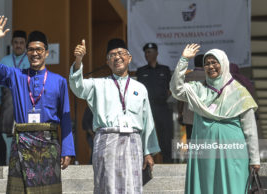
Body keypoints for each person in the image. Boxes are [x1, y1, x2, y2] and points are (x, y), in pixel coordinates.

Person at [0, 16, 75, 194]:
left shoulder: (59, 81)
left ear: (46, 52)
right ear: (26, 53)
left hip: (49, 143)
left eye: (39, 49)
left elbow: (65, 118)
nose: (35, 53)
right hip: (21, 142)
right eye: (31, 49)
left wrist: (68, 150)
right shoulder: (16, 76)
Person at [69, 38, 160, 193]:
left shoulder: (140, 88)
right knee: (107, 187)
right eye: (112, 55)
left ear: (129, 58)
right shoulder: (97, 84)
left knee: (131, 188)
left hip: (133, 143)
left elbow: (147, 121)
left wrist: (148, 152)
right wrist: (78, 60)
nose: (117, 57)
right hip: (106, 142)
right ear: (107, 62)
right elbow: (77, 87)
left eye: (121, 53)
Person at [170, 44, 260, 194]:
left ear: (223, 64)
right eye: (207, 63)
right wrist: (184, 60)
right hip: (205, 153)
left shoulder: (239, 92)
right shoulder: (198, 89)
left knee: (233, 188)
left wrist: (254, 159)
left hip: (233, 152)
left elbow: (250, 130)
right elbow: (176, 89)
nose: (210, 66)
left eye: (214, 62)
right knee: (207, 188)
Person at [0, 29, 30, 165]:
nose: (18, 45)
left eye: (21, 43)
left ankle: (24, 166)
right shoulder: (5, 60)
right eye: (16, 42)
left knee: (25, 136)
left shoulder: (30, 60)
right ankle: (10, 163)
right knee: (7, 136)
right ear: (12, 44)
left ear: (25, 45)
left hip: (25, 103)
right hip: (7, 103)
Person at [136, 43, 173, 163]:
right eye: (146, 52)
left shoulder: (165, 70)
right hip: (147, 107)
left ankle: (168, 162)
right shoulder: (141, 71)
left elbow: (170, 88)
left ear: (156, 53)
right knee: (145, 134)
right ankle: (146, 160)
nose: (147, 54)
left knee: (166, 136)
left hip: (162, 106)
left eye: (150, 52)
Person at [178, 54, 205, 141]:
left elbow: (181, 98)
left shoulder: (187, 77)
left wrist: (180, 113)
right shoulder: (209, 77)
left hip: (189, 116)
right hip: (205, 117)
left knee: (191, 142)